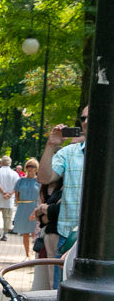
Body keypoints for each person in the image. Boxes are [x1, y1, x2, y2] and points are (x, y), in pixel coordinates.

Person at [38, 105, 88, 281]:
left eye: (91, 116)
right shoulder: (69, 152)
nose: (86, 121)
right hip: (67, 236)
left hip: (103, 242)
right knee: (60, 295)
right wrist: (51, 145)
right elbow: (44, 178)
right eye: (83, 118)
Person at [13, 159, 41, 258]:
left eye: (32, 166)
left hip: (34, 206)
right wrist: (17, 202)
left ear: (36, 168)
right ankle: (27, 254)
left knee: (35, 232)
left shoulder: (39, 181)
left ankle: (35, 254)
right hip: (23, 206)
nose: (30, 168)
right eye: (28, 166)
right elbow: (16, 191)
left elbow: (42, 195)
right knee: (25, 232)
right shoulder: (21, 180)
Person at [0, 156, 19, 241]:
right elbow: (17, 186)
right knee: (7, 217)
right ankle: (5, 234)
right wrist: (9, 194)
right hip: (9, 199)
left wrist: (3, 192)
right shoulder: (14, 173)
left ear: (2, 163)